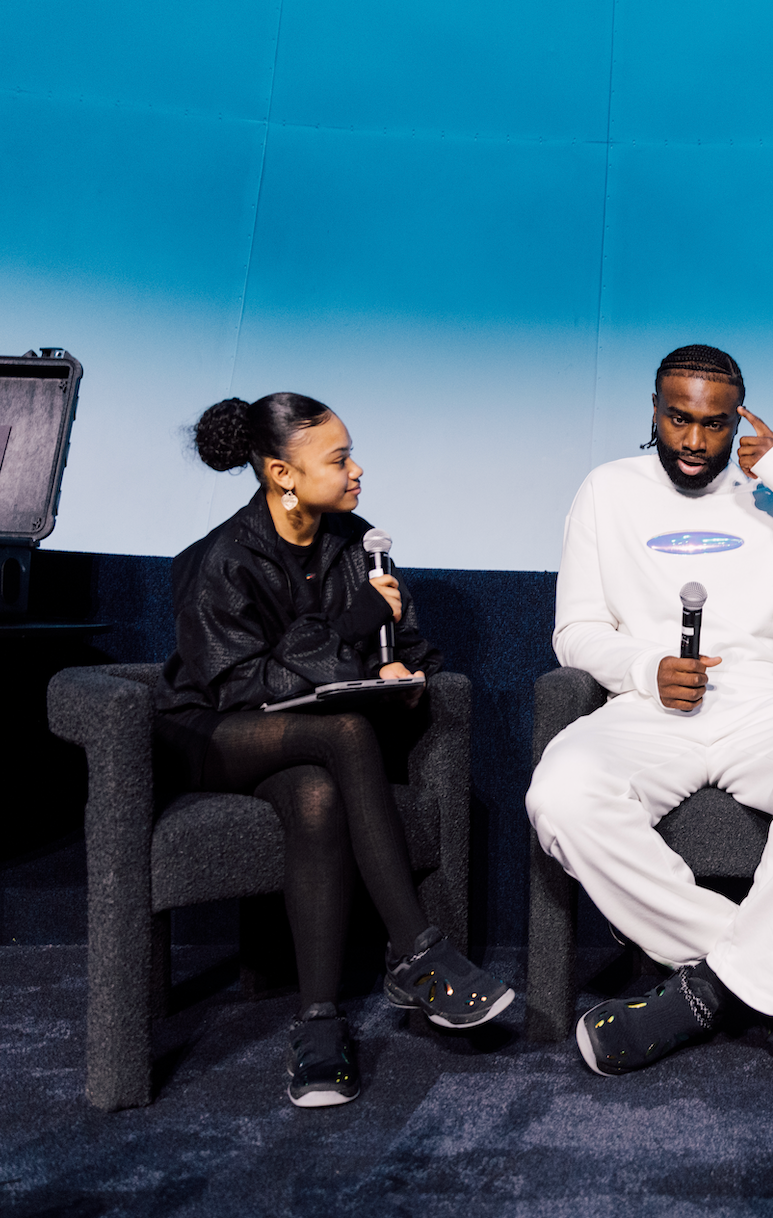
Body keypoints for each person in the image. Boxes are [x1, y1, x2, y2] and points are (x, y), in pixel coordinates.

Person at [525, 344, 773, 1076]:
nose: (694, 442)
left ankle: (709, 990)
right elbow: (575, 630)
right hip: (646, 707)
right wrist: (645, 669)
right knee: (559, 794)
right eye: (678, 418)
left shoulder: (772, 496)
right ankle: (764, 984)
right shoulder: (606, 489)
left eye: (715, 424)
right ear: (654, 412)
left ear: (740, 421)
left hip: (762, 705)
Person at [157, 392, 513, 1108]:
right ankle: (419, 952)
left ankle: (318, 1025)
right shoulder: (219, 560)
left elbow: (407, 643)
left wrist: (401, 674)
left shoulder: (357, 545)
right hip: (212, 735)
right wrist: (348, 635)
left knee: (317, 797)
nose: (357, 472)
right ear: (282, 474)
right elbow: (237, 686)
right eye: (339, 458)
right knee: (345, 732)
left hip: (299, 747)